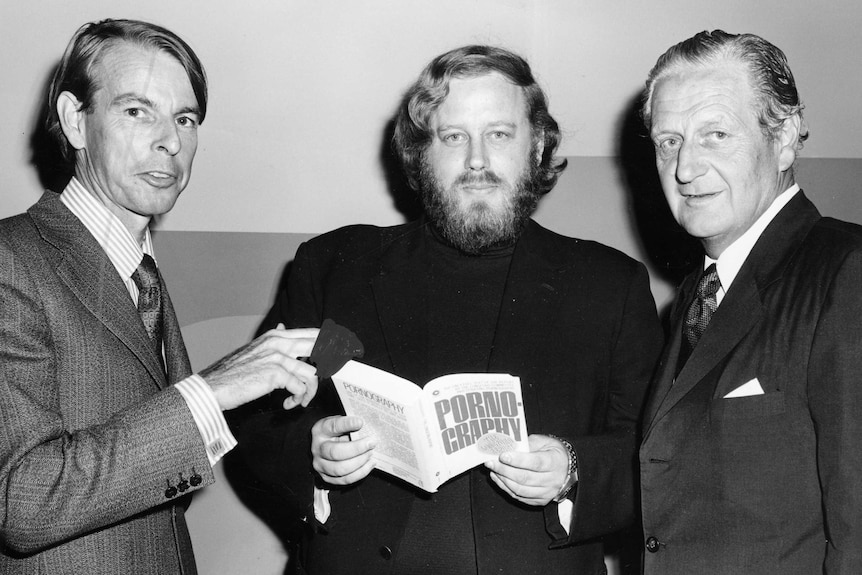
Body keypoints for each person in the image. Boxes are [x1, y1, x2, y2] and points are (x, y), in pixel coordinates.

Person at [233, 45, 662, 575]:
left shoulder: (610, 285)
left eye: (499, 135)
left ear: (536, 148)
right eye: (453, 136)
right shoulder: (332, 265)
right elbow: (256, 416)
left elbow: (658, 456)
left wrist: (573, 471)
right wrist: (312, 454)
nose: (477, 159)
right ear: (419, 153)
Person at [0, 19, 320, 574]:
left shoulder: (139, 267)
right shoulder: (12, 260)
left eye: (185, 118)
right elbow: (22, 503)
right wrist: (210, 391)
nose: (171, 140)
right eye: (136, 110)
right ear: (76, 121)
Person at [638, 30, 862, 574]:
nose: (685, 168)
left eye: (715, 134)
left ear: (784, 137)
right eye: (669, 141)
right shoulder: (695, 297)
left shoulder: (845, 271)